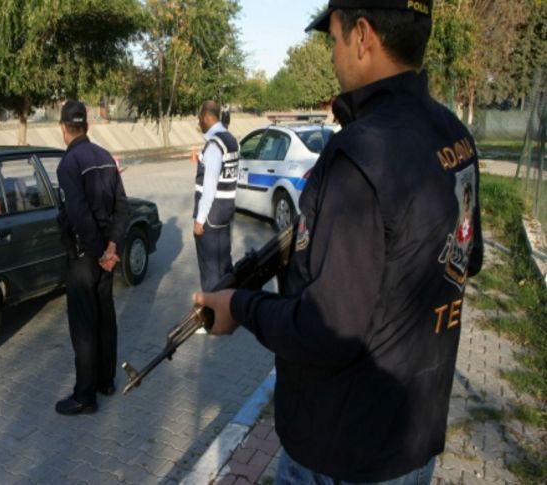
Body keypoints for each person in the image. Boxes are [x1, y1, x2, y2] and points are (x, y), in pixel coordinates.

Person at [195, 1, 483, 483]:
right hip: (413, 435)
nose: (331, 56)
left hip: (344, 449)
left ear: (363, 36)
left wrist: (238, 307)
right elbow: (462, 260)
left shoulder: (359, 155)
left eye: (333, 40)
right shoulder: (454, 133)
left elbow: (323, 330)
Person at [55, 100, 130, 415]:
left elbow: (80, 215)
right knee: (105, 317)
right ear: (86, 125)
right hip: (105, 255)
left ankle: (85, 395)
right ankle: (105, 381)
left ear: (62, 128)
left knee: (84, 326)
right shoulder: (104, 157)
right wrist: (113, 248)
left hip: (87, 256)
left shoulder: (68, 164)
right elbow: (122, 207)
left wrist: (100, 252)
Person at [193, 100, 239, 293]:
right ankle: (227, 310)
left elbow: (209, 186)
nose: (198, 122)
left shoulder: (214, 145)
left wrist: (199, 219)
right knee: (224, 267)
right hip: (225, 213)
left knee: (210, 271)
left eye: (199, 118)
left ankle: (213, 317)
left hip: (210, 218)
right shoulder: (231, 140)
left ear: (206, 117)